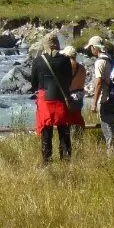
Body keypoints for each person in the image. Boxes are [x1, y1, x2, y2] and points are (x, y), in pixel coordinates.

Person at [30, 33, 81, 164]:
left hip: (45, 99)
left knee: (46, 131)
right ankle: (66, 159)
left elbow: (33, 83)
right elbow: (69, 80)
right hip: (61, 98)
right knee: (64, 130)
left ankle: (47, 160)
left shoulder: (38, 61)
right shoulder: (65, 60)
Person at [85, 36, 114, 151]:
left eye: (90, 48)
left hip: (106, 97)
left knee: (106, 124)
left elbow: (99, 82)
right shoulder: (110, 58)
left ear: (95, 47)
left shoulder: (99, 62)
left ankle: (113, 152)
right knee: (110, 123)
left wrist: (94, 102)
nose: (90, 50)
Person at [60, 45, 88, 144]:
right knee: (77, 120)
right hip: (79, 97)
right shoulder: (82, 68)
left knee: (67, 123)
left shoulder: (66, 67)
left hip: (69, 97)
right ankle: (78, 143)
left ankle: (68, 146)